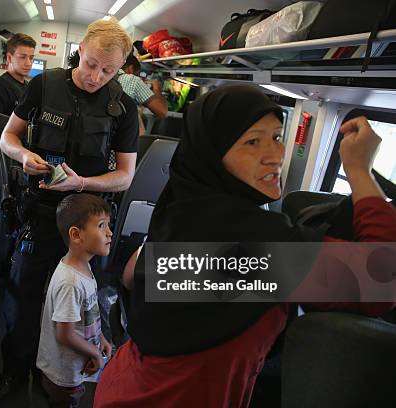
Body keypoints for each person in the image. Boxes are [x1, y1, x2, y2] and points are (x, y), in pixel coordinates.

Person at [94, 85, 396, 407]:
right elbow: (383, 279)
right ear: (213, 155)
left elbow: (133, 273)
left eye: (278, 137)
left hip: (127, 383)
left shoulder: (184, 209)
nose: (276, 155)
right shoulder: (257, 247)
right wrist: (360, 171)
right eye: (252, 141)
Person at [0, 18, 138, 402]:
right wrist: (23, 155)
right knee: (25, 297)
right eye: (91, 64)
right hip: (40, 212)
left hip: (89, 222)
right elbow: (7, 136)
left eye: (108, 70)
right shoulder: (43, 85)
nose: (96, 76)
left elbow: (124, 176)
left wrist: (84, 183)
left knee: (81, 305)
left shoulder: (124, 107)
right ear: (79, 52)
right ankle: (15, 370)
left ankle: (65, 378)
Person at [36, 194, 113, 407]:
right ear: (76, 235)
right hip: (64, 373)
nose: (110, 232)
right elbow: (65, 334)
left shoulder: (84, 267)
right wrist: (95, 353)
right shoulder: (70, 282)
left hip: (77, 361)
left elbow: (88, 314)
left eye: (108, 225)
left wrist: (101, 339)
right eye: (101, 225)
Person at [0, 32, 36, 115]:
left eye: (31, 58)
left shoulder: (28, 86)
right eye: (22, 57)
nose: (28, 63)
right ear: (10, 58)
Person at [117, 53, 168, 131]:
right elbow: (162, 112)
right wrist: (157, 89)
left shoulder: (107, 75)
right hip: (120, 137)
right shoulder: (133, 80)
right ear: (131, 68)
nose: (137, 77)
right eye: (136, 74)